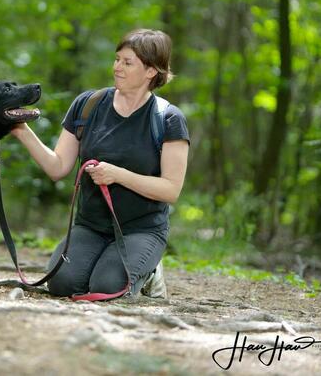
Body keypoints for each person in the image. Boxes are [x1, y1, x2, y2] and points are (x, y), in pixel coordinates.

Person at [10, 28, 190, 298]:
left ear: (151, 71)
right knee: (61, 284)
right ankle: (106, 264)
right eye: (117, 59)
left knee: (108, 288)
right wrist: (21, 130)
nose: (117, 67)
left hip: (141, 230)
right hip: (90, 225)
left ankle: (150, 272)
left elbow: (171, 190)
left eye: (127, 62)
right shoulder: (88, 105)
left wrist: (118, 175)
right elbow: (58, 167)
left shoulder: (167, 118)